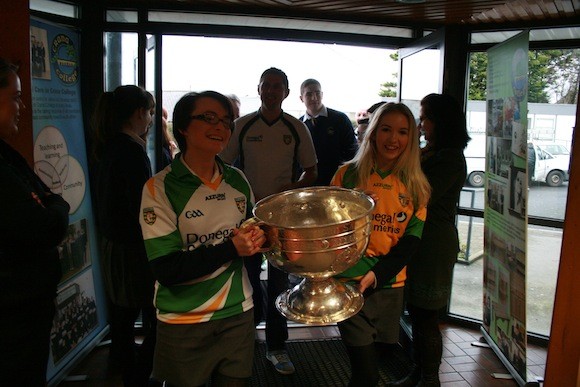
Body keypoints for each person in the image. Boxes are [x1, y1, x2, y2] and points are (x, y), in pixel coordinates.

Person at [140, 91, 266, 386]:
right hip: (183, 321)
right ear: (182, 127)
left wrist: (266, 238)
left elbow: (252, 234)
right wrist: (232, 247)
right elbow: (167, 269)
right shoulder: (159, 188)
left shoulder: (237, 179)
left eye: (225, 120)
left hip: (238, 312)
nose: (220, 127)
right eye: (208, 118)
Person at [220, 67, 318, 375]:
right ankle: (243, 346)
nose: (272, 91)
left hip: (282, 221)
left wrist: (291, 190)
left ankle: (277, 347)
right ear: (259, 89)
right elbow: (220, 167)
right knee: (245, 282)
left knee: (278, 285)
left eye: (278, 86)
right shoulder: (243, 125)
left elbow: (311, 172)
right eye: (267, 86)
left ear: (287, 93)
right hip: (246, 219)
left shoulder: (296, 128)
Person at [330, 102, 431, 387]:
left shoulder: (417, 185)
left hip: (390, 284)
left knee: (381, 356)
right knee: (366, 373)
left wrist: (379, 274)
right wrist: (349, 205)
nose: (393, 138)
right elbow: (328, 229)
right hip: (350, 282)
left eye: (402, 132)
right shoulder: (346, 175)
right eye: (385, 129)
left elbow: (411, 242)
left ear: (412, 139)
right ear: (373, 133)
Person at [0, 58, 70, 385]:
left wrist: (51, 204)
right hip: (13, 321)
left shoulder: (6, 153)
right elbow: (45, 225)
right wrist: (53, 204)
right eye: (14, 97)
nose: (21, 106)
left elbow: (48, 204)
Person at [393, 93, 470, 387]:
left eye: (424, 118)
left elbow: (420, 194)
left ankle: (430, 379)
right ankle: (417, 371)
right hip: (419, 242)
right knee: (416, 312)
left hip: (434, 245)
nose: (420, 124)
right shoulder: (430, 152)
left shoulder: (449, 158)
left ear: (440, 121)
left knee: (426, 317)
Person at [91, 85, 157, 386]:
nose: (151, 120)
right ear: (138, 113)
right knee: (144, 310)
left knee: (122, 312)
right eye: (150, 112)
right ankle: (138, 372)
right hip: (131, 247)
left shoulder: (112, 145)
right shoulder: (131, 150)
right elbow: (139, 207)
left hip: (115, 242)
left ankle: (124, 364)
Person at [299, 78, 357, 185]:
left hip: (337, 182)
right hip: (308, 185)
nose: (314, 98)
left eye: (317, 93)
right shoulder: (299, 125)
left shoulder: (340, 119)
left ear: (322, 94)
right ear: (301, 98)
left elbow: (352, 152)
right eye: (309, 94)